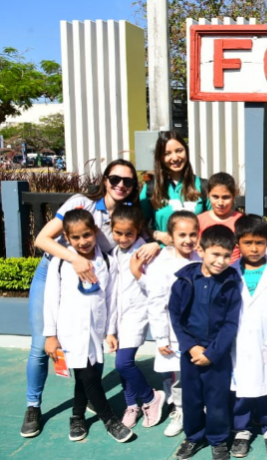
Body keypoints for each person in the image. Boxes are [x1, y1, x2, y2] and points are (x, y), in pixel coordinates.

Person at [21, 159, 160, 439]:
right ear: (105, 179)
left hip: (91, 281)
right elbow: (42, 239)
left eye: (128, 181)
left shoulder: (124, 216)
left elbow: (140, 239)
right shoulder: (81, 203)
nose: (120, 185)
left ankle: (80, 409)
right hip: (56, 271)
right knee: (41, 345)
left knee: (90, 354)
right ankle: (33, 405)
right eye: (115, 178)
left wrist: (157, 243)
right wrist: (73, 259)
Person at [43, 209, 133, 443]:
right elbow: (51, 298)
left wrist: (110, 331)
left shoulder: (107, 262)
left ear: (95, 231)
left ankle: (77, 416)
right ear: (67, 237)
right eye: (75, 237)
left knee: (86, 377)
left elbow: (112, 299)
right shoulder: (60, 262)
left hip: (96, 332)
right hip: (70, 332)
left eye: (86, 235)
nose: (82, 241)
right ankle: (110, 420)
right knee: (89, 377)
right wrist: (50, 335)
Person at [169, 226, 243, 460]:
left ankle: (218, 439)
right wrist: (190, 346)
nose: (221, 261)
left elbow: (231, 323)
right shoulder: (184, 281)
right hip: (190, 351)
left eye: (226, 255)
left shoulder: (231, 283)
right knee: (191, 398)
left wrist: (212, 353)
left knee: (217, 399)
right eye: (215, 254)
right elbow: (175, 317)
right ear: (201, 250)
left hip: (217, 353)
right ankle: (193, 436)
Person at [132, 211, 203, 438]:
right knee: (179, 375)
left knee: (200, 372)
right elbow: (156, 303)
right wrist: (161, 337)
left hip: (200, 330)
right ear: (171, 236)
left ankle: (200, 410)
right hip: (174, 332)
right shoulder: (161, 263)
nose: (188, 240)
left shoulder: (201, 258)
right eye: (182, 235)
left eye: (192, 234)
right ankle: (180, 411)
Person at [230, 215, 267, 459]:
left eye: (259, 242)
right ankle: (241, 431)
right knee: (241, 390)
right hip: (239, 343)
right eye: (248, 242)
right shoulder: (231, 272)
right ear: (238, 243)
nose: (254, 248)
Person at [108, 205, 165, 429]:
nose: (123, 238)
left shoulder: (145, 253)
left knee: (123, 363)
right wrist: (110, 329)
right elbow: (114, 291)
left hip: (137, 314)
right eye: (118, 233)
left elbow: (155, 286)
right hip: (118, 316)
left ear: (138, 229)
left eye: (128, 234)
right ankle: (131, 405)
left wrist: (137, 272)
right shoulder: (115, 253)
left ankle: (151, 398)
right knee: (124, 364)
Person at [141, 131, 210, 246]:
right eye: (167, 153)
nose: (174, 157)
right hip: (162, 253)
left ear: (186, 151)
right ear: (160, 157)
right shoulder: (151, 188)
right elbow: (138, 226)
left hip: (196, 254)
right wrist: (158, 235)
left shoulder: (203, 186)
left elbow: (215, 223)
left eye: (179, 151)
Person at [198, 172, 243, 263]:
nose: (220, 203)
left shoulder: (241, 221)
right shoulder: (199, 220)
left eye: (226, 197)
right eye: (215, 197)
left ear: (234, 195)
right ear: (208, 194)